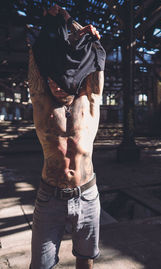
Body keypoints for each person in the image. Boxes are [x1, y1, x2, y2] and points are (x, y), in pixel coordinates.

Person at [28, 4, 105, 269]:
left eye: (62, 81)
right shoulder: (43, 107)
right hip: (49, 198)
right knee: (41, 265)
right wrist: (51, 25)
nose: (56, 85)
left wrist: (72, 23)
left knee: (85, 261)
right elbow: (37, 59)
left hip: (87, 196)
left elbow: (95, 57)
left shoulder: (90, 105)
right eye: (52, 81)